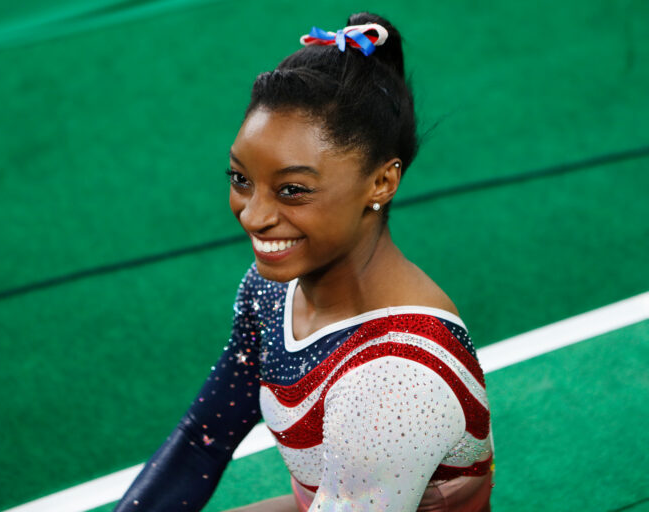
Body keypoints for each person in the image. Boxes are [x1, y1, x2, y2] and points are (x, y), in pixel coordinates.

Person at [114, 11, 494, 512]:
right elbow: (202, 437)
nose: (254, 215)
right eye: (240, 179)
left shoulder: (396, 380)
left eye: (292, 190)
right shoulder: (272, 290)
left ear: (381, 182)